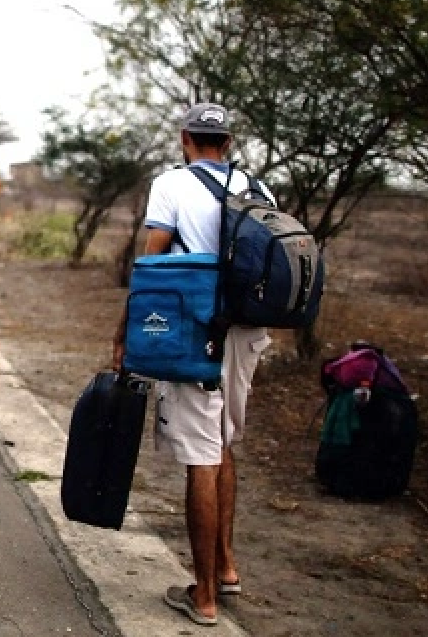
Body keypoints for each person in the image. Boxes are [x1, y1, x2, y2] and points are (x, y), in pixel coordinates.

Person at [111, 103, 274, 628]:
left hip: (196, 332)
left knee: (201, 457)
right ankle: (226, 567)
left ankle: (202, 596)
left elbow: (153, 264)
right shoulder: (259, 188)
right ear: (227, 141)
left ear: (186, 139)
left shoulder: (172, 185)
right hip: (248, 334)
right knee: (223, 443)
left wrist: (125, 331)